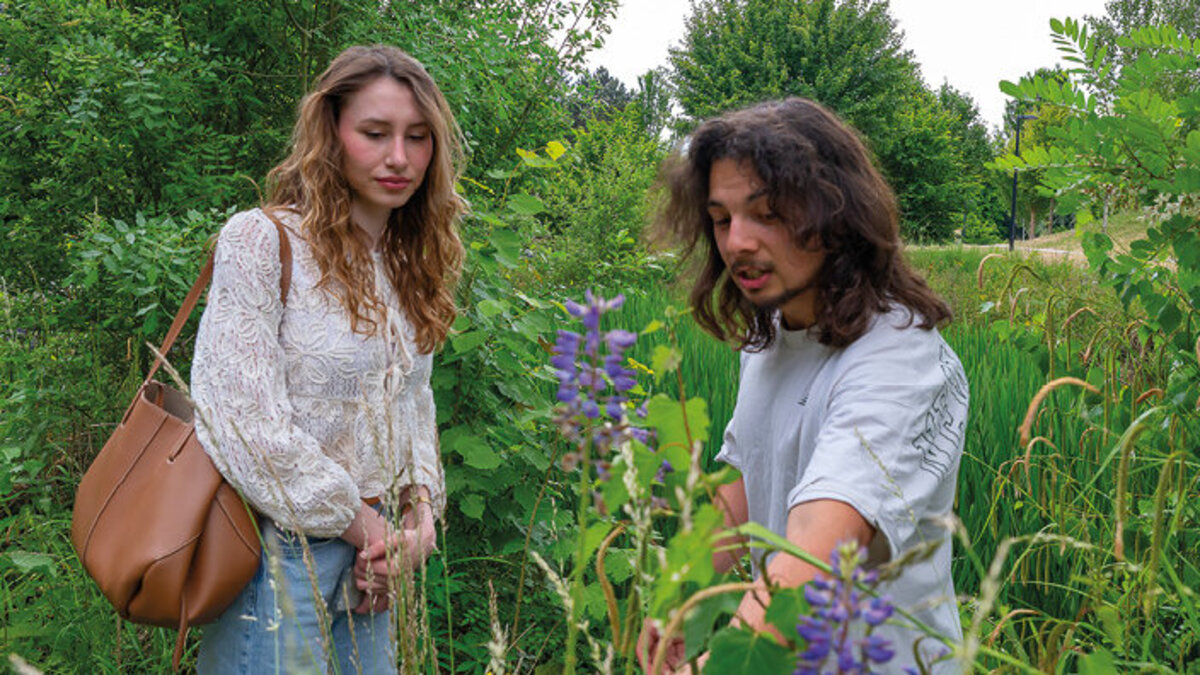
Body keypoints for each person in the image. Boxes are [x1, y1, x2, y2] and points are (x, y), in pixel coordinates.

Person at [639, 98, 967, 673]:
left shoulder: (898, 357)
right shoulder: (773, 333)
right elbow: (747, 477)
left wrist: (724, 664)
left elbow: (816, 554)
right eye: (722, 219)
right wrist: (682, 593)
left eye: (767, 214)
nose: (737, 242)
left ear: (835, 214)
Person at [189, 45, 465, 674]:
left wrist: (419, 523)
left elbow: (413, 405)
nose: (399, 158)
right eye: (375, 133)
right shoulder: (263, 240)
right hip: (278, 555)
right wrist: (366, 527)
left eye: (417, 137)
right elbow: (240, 421)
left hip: (375, 565)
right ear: (331, 131)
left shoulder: (407, 260)